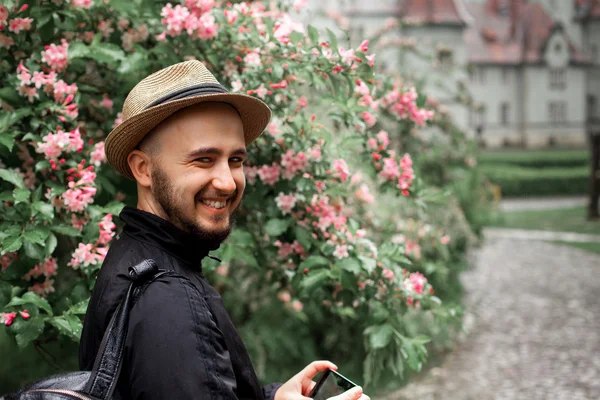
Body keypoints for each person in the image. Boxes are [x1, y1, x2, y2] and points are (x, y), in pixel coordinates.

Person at [78, 60, 370, 400]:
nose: (227, 182)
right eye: (203, 160)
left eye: (236, 160)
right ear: (143, 168)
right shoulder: (169, 301)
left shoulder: (136, 257)